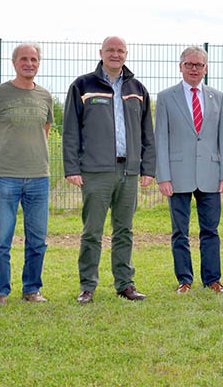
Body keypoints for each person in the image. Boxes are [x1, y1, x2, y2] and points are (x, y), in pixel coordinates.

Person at [63, 36, 155, 304]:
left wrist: (147, 168)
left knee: (124, 230)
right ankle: (87, 286)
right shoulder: (82, 85)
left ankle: (125, 284)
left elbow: (147, 132)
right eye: (110, 50)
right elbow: (70, 131)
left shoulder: (137, 88)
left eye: (120, 51)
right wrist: (71, 167)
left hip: (129, 170)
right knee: (92, 231)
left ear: (126, 54)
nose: (115, 54)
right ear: (101, 53)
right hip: (95, 172)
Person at [155, 46, 223, 294]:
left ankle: (212, 279)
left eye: (199, 65)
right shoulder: (167, 97)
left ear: (205, 69)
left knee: (210, 230)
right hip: (178, 174)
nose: (194, 69)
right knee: (180, 231)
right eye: (189, 64)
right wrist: (163, 176)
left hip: (210, 174)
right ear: (180, 66)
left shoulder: (217, 97)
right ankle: (184, 280)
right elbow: (161, 140)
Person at [0, 43, 53, 306]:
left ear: (38, 63)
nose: (29, 63)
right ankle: (0, 291)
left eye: (34, 59)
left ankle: (32, 289)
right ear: (14, 63)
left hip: (38, 178)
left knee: (37, 239)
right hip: (4, 177)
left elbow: (43, 131)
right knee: (1, 239)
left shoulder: (44, 96)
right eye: (24, 59)